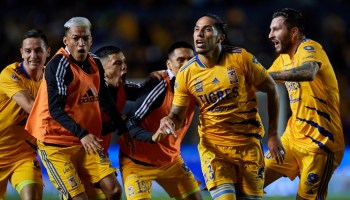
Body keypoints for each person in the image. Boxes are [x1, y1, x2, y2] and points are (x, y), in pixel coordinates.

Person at [157, 13, 285, 200]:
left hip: (248, 146)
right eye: (196, 29)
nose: (199, 34)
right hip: (214, 149)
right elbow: (177, 115)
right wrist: (168, 120)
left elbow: (272, 89)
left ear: (220, 37)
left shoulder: (241, 58)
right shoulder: (187, 73)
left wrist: (273, 134)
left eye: (207, 29)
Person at [25, 17, 126, 200]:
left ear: (91, 40)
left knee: (114, 191)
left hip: (84, 142)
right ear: (66, 41)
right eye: (75, 38)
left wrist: (122, 127)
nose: (81, 44)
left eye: (85, 38)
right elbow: (55, 110)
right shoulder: (58, 65)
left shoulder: (95, 62)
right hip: (55, 143)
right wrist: (82, 134)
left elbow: (104, 98)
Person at [264, 8, 345, 199]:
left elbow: (308, 72)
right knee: (249, 180)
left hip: (321, 143)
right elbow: (260, 81)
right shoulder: (283, 59)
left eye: (276, 29)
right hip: (292, 140)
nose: (270, 35)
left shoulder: (310, 48)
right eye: (270, 29)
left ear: (293, 33)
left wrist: (266, 76)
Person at [118, 41, 201, 200]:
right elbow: (131, 122)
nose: (186, 65)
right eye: (181, 60)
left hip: (171, 162)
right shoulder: (159, 85)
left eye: (191, 60)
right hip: (137, 163)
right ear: (169, 64)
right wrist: (153, 137)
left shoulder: (197, 86)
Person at [0, 29, 50, 200]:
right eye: (28, 51)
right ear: (21, 53)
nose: (33, 55)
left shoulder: (52, 78)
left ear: (47, 51)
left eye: (38, 50)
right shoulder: (10, 74)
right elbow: (30, 106)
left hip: (24, 155)